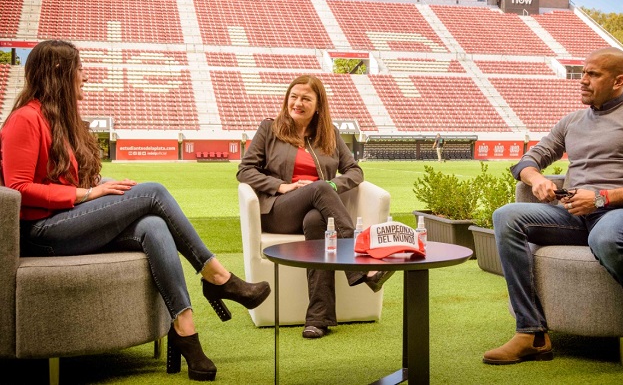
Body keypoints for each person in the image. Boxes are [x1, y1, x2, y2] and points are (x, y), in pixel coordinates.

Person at [0, 40, 271, 382]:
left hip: (63, 222)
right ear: (59, 74)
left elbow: (66, 176)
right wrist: (88, 193)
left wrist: (102, 186)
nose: (84, 76)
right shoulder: (25, 119)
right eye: (79, 69)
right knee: (154, 192)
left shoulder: (59, 120)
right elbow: (18, 188)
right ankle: (218, 277)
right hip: (42, 232)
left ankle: (185, 328)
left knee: (154, 225)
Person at [482, 47, 623, 375]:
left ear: (618, 81)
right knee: (506, 216)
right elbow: (528, 161)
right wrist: (536, 178)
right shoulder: (571, 121)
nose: (582, 81)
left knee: (606, 236)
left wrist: (600, 199)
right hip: (574, 215)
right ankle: (532, 333)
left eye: (592, 74)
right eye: (582, 73)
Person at [237, 74, 393, 339]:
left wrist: (334, 186)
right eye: (293, 97)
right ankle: (363, 261)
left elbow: (355, 172)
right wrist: (281, 186)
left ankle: (317, 319)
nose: (297, 103)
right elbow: (245, 171)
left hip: (314, 212)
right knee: (319, 187)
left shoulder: (329, 135)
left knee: (316, 221)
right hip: (278, 211)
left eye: (306, 99)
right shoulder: (269, 129)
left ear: (318, 105)